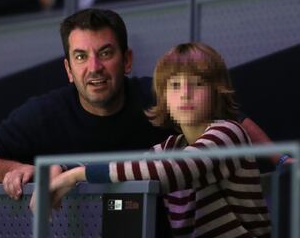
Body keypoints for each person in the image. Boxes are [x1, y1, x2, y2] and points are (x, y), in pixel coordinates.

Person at [0, 8, 285, 201]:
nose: (94, 68)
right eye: (81, 57)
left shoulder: (161, 99)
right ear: (68, 70)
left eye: (105, 53)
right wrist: (19, 170)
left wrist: (287, 162)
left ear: (126, 61)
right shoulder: (43, 112)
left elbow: (234, 126)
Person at [35, 43, 271, 237]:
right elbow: (130, 169)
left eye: (197, 84)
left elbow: (175, 171)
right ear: (164, 97)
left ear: (217, 91)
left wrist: (76, 176)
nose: (185, 94)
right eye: (175, 85)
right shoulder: (169, 148)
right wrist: (61, 169)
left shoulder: (228, 133)